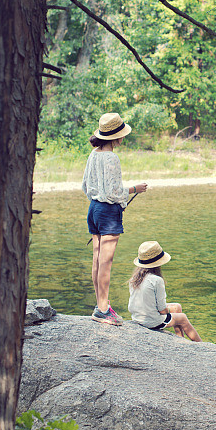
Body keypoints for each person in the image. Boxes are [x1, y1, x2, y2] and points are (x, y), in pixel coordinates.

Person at [82, 112, 148, 325]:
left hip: (93, 209)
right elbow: (114, 191)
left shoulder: (93, 154)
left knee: (97, 259)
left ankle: (101, 304)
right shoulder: (111, 157)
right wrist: (133, 189)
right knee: (106, 263)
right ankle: (103, 309)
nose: (123, 137)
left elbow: (85, 187)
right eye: (122, 134)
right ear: (115, 137)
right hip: (107, 212)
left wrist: (104, 200)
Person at [127, 241, 202, 342]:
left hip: (137, 317)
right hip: (150, 322)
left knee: (177, 307)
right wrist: (166, 311)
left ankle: (181, 339)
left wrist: (170, 311)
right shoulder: (157, 280)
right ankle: (200, 344)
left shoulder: (134, 279)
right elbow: (162, 310)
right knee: (183, 318)